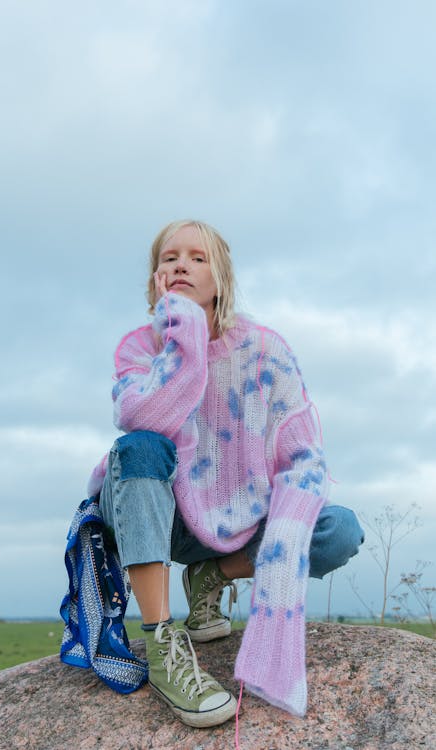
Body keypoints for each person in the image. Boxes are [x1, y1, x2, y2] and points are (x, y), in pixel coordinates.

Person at [86, 219, 364, 727]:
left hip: (237, 515)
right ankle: (163, 638)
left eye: (198, 257)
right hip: (154, 513)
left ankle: (211, 575)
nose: (181, 265)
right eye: (169, 258)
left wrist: (281, 537)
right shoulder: (138, 347)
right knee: (141, 446)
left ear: (223, 277)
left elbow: (303, 457)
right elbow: (144, 417)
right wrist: (184, 331)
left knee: (337, 529)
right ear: (156, 277)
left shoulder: (265, 350)